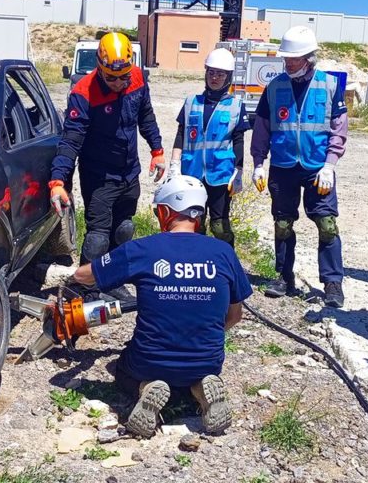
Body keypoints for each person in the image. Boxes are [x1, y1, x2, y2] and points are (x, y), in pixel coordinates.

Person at [71, 175, 252, 438]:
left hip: (149, 361)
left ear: (166, 211)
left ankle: (147, 386)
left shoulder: (144, 249)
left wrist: (77, 274)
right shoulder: (223, 252)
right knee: (194, 370)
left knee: (120, 369)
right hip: (206, 361)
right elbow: (235, 316)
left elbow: (84, 275)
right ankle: (201, 388)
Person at [49, 32, 166, 299]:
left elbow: (146, 116)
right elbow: (70, 141)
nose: (117, 82)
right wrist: (58, 181)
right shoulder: (83, 93)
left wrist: (157, 150)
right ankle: (85, 289)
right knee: (98, 236)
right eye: (110, 77)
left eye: (122, 76)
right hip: (99, 174)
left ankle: (112, 281)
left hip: (129, 171)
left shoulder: (137, 78)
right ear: (100, 68)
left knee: (124, 228)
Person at [250, 26, 348, 306]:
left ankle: (332, 283)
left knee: (327, 224)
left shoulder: (329, 85)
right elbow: (262, 128)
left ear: (309, 57)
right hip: (283, 166)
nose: (288, 63)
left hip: (318, 168)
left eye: (294, 58)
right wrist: (259, 163)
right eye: (286, 58)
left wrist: (330, 165)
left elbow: (339, 129)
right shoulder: (275, 86)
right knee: (282, 224)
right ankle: (283, 277)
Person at [169, 47, 251, 246]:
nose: (215, 77)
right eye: (211, 72)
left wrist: (239, 171)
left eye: (220, 74)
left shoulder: (235, 105)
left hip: (221, 175)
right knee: (193, 224)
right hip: (192, 174)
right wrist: (174, 164)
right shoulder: (191, 102)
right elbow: (181, 134)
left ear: (228, 77)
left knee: (220, 226)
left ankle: (227, 263)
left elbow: (238, 140)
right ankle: (196, 265)